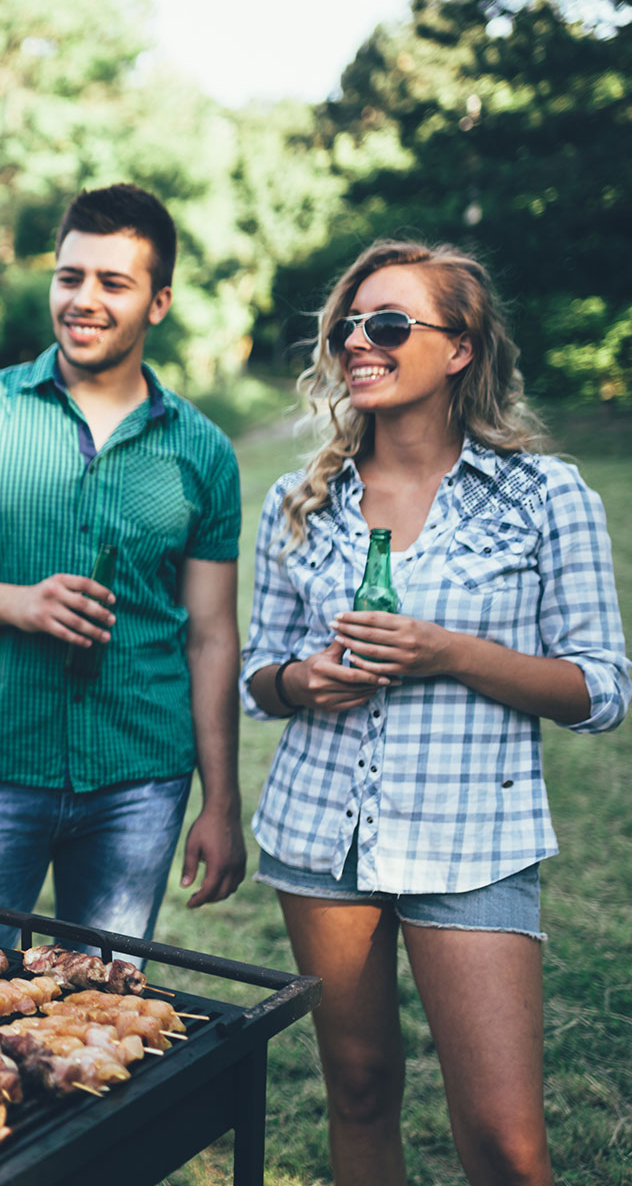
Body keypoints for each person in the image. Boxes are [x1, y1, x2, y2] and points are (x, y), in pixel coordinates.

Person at [242, 240, 628, 1185]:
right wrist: (304, 681)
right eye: (347, 327)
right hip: (320, 838)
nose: (358, 344)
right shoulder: (300, 502)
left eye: (387, 325)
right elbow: (258, 673)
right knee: (361, 1091)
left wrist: (448, 652)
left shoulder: (544, 497)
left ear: (459, 349)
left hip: (474, 841)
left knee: (505, 1141)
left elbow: (601, 688)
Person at [0, 183, 247, 949]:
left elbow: (212, 638)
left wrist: (220, 802)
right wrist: (16, 603)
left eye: (113, 283)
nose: (84, 300)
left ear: (158, 302)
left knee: (99, 1017)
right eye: (71, 277)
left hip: (140, 779)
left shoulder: (204, 452)